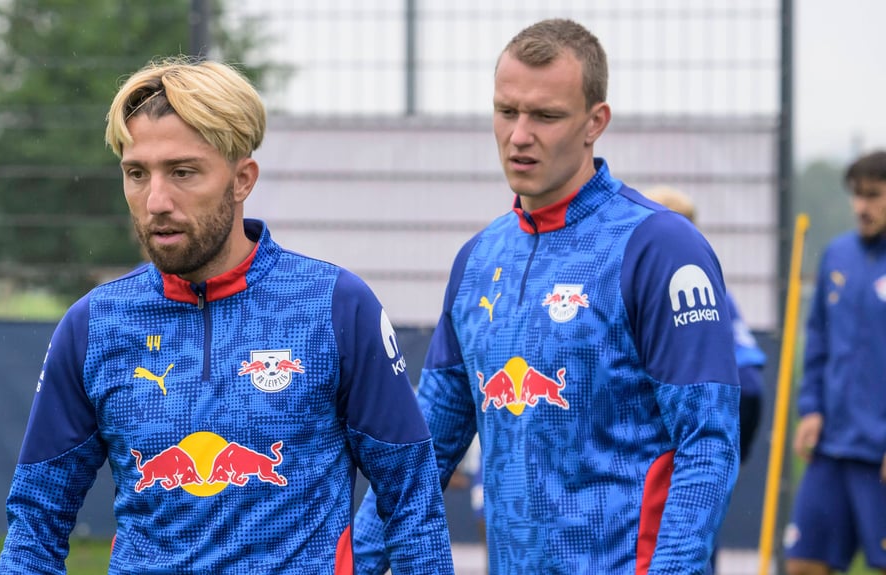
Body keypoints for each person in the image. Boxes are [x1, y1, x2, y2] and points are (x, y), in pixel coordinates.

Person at [0, 57, 454, 575]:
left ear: (242, 179)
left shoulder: (337, 305)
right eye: (136, 174)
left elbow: (413, 500)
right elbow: (36, 522)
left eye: (183, 172)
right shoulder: (93, 326)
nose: (156, 200)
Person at [352, 18, 740, 574]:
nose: (519, 135)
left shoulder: (660, 246)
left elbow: (707, 442)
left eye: (546, 116)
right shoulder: (478, 259)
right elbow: (423, 451)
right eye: (506, 111)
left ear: (594, 122)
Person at [644, 186, 768, 574]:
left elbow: (748, 384)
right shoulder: (715, 290)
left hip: (658, 468)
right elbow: (750, 386)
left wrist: (722, 451)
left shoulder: (673, 293)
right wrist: (727, 455)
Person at [784, 150, 886, 575]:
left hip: (877, 452)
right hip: (832, 448)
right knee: (803, 563)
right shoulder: (837, 255)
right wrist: (811, 409)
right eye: (856, 196)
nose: (861, 207)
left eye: (874, 196)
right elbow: (820, 340)